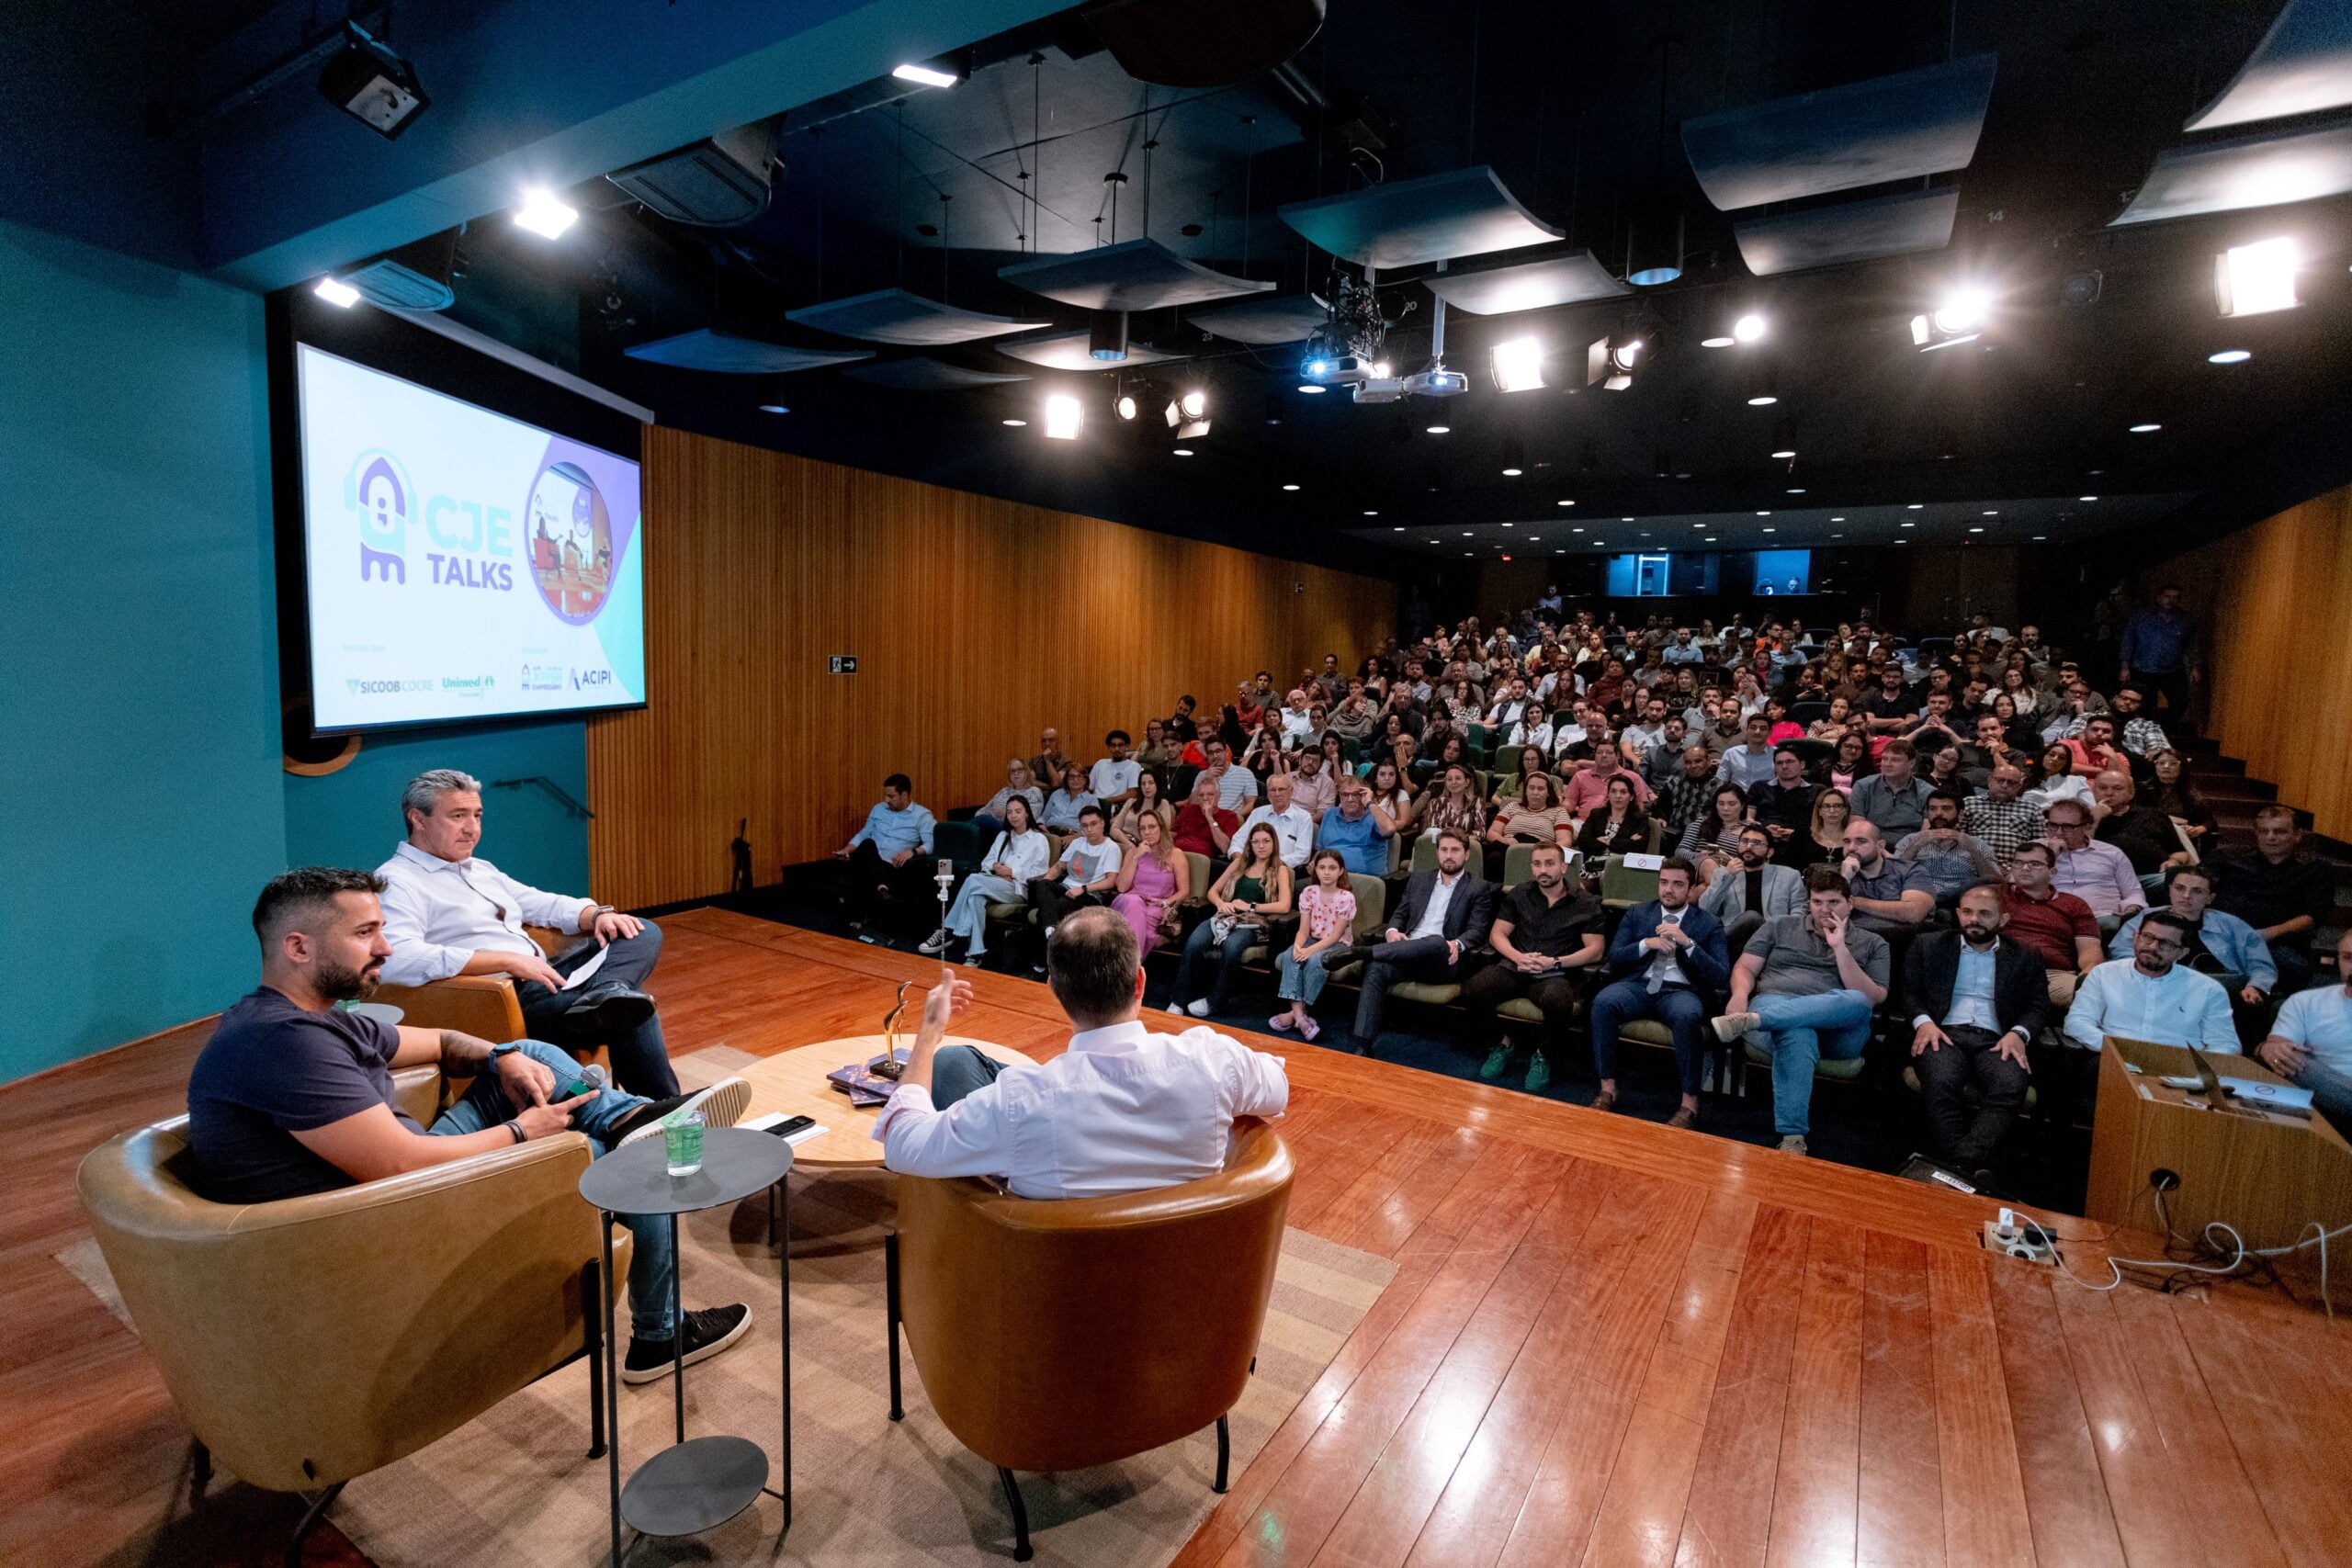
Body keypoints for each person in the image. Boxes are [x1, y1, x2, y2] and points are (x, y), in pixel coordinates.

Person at [187, 868, 753, 1382]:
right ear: (298, 947)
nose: (384, 948)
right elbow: (399, 1165)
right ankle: (659, 1332)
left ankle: (624, 1114)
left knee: (528, 1051)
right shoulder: (286, 1043)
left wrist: (501, 1055)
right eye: (365, 934)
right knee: (627, 1164)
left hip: (396, 1172)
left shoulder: (301, 1018)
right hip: (374, 1222)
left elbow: (438, 1042)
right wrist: (524, 1132)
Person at [875, 911, 1290, 1199]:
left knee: (950, 1062)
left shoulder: (1022, 1101)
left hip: (1057, 1280)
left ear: (1054, 988)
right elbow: (1277, 1088)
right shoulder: (1212, 1058)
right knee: (963, 1063)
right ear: (1140, 982)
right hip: (1182, 1266)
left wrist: (928, 1033)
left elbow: (902, 1144)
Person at [378, 769, 682, 1097]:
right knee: (632, 1009)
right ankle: (663, 1107)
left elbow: (540, 903)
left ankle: (607, 991)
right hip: (500, 999)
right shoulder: (397, 881)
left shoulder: (478, 869)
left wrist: (594, 915)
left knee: (640, 931)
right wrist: (506, 960)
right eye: (458, 816)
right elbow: (397, 957)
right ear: (418, 819)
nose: (472, 829)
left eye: (477, 815)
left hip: (544, 981)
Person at [1713, 868, 1892, 1154]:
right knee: (1797, 1030)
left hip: (1838, 1030)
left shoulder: (1874, 943)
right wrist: (1739, 995)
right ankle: (1793, 1138)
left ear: (1850, 903)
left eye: (1833, 902)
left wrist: (1840, 949)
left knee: (1857, 1000)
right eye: (1817, 902)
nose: (1824, 910)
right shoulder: (1779, 925)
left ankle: (1751, 1022)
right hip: (1777, 1002)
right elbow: (1745, 967)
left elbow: (1874, 997)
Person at [1905, 884, 2049, 1181]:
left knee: (2011, 1084)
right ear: (1958, 914)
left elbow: (2038, 1005)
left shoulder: (2025, 956)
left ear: (2003, 920)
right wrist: (1924, 1022)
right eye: (1968, 912)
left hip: (1997, 1039)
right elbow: (1908, 993)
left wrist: (2018, 1034)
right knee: (1941, 1079)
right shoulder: (1928, 944)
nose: (1974, 919)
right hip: (1943, 1033)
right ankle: (1969, 1166)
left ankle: (1958, 1164)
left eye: (1985, 913)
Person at [1589, 858, 1729, 1129]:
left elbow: (1720, 974)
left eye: (1677, 884)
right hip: (1639, 986)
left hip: (1681, 990)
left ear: (1690, 890)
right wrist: (1645, 944)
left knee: (1687, 1015)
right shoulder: (1638, 913)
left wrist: (1688, 944)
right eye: (1664, 883)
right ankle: (1607, 1089)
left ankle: (1689, 1104)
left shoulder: (1709, 923)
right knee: (1604, 1002)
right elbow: (1615, 958)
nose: (1668, 890)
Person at [1329, 829, 1495, 1057]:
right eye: (1444, 849)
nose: (1449, 855)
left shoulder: (1478, 888)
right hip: (1405, 954)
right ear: (1437, 853)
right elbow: (1400, 914)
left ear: (1466, 855)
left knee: (1437, 941)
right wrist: (1392, 932)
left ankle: (1362, 952)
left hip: (1443, 961)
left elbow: (1477, 930)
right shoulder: (1419, 879)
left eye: (1455, 850)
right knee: (1377, 969)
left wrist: (1457, 943)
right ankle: (1362, 1045)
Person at [1461, 843, 1607, 1089]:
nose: (1543, 870)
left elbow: (1596, 950)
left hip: (1554, 972)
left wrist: (1556, 962)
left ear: (1563, 867)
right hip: (1515, 966)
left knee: (1559, 1000)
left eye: (1549, 864)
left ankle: (1543, 1054)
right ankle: (1503, 1043)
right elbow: (1498, 934)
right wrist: (1517, 957)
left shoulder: (1586, 903)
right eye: (1537, 864)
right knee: (1472, 989)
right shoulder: (1520, 894)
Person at [2064, 912, 2239, 1070]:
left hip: (2181, 1071)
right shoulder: (2105, 973)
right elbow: (2077, 1023)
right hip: (2117, 1063)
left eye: (2166, 944)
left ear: (2182, 953)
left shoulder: (2208, 989)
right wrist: (2122, 1051)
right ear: (2135, 937)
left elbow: (2225, 1044)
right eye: (2148, 937)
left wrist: (2193, 1069)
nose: (2153, 947)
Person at [2109, 864, 2274, 1021]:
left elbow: (2261, 965)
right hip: (2160, 984)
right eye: (2180, 888)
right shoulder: (2146, 918)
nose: (2186, 896)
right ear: (2170, 891)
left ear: (2210, 898)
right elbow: (2121, 953)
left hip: (2218, 987)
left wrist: (2255, 987)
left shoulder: (2232, 925)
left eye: (2197, 891)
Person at [1170, 823, 1293, 1019]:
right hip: (1224, 917)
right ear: (1250, 844)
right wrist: (1220, 903)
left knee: (1232, 947)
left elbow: (1285, 905)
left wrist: (1251, 906)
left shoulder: (1280, 869)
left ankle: (1215, 1002)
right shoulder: (1239, 864)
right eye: (1256, 842)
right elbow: (1212, 891)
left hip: (1253, 923)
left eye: (1266, 841)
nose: (1261, 846)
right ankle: (1179, 999)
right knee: (1194, 942)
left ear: (1274, 844)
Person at [2213, 804, 2336, 997]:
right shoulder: (2227, 860)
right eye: (2264, 831)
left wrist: (2267, 934)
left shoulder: (2316, 869)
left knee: (2294, 968)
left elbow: (2314, 916)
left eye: (2279, 831)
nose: (2270, 837)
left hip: (2278, 944)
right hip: (2225, 941)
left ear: (2297, 835)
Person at [925, 795, 1053, 965]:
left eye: (1018, 811)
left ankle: (947, 929)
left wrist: (1012, 871)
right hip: (994, 882)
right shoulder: (1003, 836)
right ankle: (975, 953)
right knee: (975, 896)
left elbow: (1041, 872)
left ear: (1027, 814)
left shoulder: (1039, 839)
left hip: (1019, 889)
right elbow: (986, 863)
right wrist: (997, 868)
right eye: (1009, 812)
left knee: (973, 881)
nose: (1013, 816)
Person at [2257, 931, 2352, 1133]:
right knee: (2290, 1061)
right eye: (2348, 958)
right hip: (2319, 1105)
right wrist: (2270, 1049)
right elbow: (2280, 1047)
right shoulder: (2305, 1002)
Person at [2001, 840, 2105, 1009]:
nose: (2025, 868)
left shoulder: (2074, 904)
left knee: (2098, 996)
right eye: (2018, 863)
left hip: (2053, 975)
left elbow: (2089, 949)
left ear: (2052, 872)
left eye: (2034, 864)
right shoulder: (1995, 895)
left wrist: (2088, 974)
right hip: (2005, 969)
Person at [1272, 850, 1358, 1041]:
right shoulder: (1309, 893)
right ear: (1315, 871)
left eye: (1332, 868)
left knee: (1316, 960)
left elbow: (1335, 936)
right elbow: (1303, 930)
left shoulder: (1346, 897)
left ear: (1341, 871)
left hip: (1337, 944)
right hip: (1313, 939)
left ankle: (1295, 1014)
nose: (1327, 872)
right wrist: (1297, 946)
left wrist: (1309, 951)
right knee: (1289, 956)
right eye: (1322, 868)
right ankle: (1302, 1018)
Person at [1027, 806, 1124, 959]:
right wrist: (1044, 888)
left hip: (1090, 895)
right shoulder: (1078, 842)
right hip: (1066, 888)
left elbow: (1111, 881)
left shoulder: (1111, 848)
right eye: (1084, 826)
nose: (1089, 829)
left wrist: (1083, 888)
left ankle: (1042, 954)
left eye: (1093, 824)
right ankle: (1050, 931)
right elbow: (1059, 867)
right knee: (1042, 884)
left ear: (1102, 823)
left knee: (1048, 910)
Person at [1698, 823, 1805, 953]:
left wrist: (1785, 935)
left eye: (1756, 843)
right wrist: (1728, 878)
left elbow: (1799, 913)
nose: (1748, 847)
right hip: (1733, 942)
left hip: (1772, 942)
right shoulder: (1723, 875)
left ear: (1770, 852)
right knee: (1748, 919)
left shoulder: (1789, 876)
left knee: (1752, 918)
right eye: (1744, 841)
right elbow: (1705, 911)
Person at [2042, 796, 2146, 930]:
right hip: (2053, 919)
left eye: (2068, 827)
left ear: (2087, 826)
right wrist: (2049, 856)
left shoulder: (2111, 853)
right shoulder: (2033, 851)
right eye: (2053, 825)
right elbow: (2018, 886)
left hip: (2103, 920)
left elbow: (2133, 892)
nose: (2059, 833)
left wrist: (2131, 910)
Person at [1894, 791, 2003, 909]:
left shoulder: (1977, 843)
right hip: (1922, 898)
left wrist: (1972, 850)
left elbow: (1994, 880)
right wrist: (1917, 845)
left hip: (1963, 901)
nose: (1939, 813)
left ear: (1960, 814)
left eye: (1946, 809)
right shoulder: (1911, 840)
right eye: (1933, 809)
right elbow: (1891, 874)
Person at [1106, 810, 1190, 961]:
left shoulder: (1175, 854)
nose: (1147, 832)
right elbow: (1122, 888)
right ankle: (1131, 970)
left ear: (1161, 828)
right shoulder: (1133, 852)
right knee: (1134, 902)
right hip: (1128, 902)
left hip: (1156, 907)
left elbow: (1184, 891)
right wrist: (1136, 857)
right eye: (1142, 828)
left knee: (1140, 928)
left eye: (1152, 827)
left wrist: (1165, 902)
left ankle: (1123, 967)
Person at [2119, 583, 2198, 727]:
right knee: (2145, 703)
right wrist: (2125, 666)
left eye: (2176, 597)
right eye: (2167, 596)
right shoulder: (2142, 617)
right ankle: (2143, 730)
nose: (2171, 600)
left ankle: (2165, 728)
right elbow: (2128, 641)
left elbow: (2192, 644)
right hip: (2143, 666)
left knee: (2180, 701)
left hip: (2172, 668)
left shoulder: (2186, 619)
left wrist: (2194, 667)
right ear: (2159, 598)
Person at [1840, 819, 1935, 939]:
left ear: (1880, 846)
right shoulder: (1835, 874)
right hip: (1852, 941)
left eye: (1861, 842)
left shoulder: (1910, 870)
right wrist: (1844, 880)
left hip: (1900, 941)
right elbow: (1824, 914)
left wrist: (1852, 901)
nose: (1851, 848)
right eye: (1846, 842)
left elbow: (1914, 913)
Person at [1962, 763, 2047, 870]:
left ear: (2019, 786)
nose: (2005, 785)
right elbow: (1957, 838)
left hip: (2015, 870)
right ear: (1990, 780)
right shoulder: (1968, 803)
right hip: (1973, 867)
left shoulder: (2032, 809)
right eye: (2000, 780)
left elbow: (2040, 845)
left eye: (2011, 782)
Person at [1489, 770, 1573, 875]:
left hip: (1539, 851)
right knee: (1495, 857)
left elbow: (1565, 840)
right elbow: (1492, 832)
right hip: (1508, 849)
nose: (1535, 792)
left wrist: (1544, 851)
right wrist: (1503, 839)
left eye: (1541, 789)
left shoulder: (1558, 811)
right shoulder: (1512, 806)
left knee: (1524, 842)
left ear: (1548, 793)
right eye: (1531, 788)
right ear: (1525, 791)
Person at [1317, 774, 1397, 877]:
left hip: (1364, 880)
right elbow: (1320, 849)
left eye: (1355, 794)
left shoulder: (1374, 817)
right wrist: (1315, 861)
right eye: (1345, 794)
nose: (1350, 799)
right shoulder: (1330, 815)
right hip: (1330, 878)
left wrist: (1369, 802)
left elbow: (1389, 830)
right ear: (1339, 796)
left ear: (1363, 795)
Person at [1851, 739, 1932, 837]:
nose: (1888, 764)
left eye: (1896, 760)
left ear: (1911, 763)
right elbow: (1857, 828)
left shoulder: (1927, 792)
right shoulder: (1862, 786)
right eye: (1884, 759)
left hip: (1911, 848)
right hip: (1870, 846)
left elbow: (1925, 836)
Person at [1746, 746, 1817, 853]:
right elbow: (1749, 819)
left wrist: (1797, 834)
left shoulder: (1817, 791)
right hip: (1764, 842)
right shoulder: (1759, 787)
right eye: (1779, 763)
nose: (1784, 766)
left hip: (1803, 844)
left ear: (1802, 765)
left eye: (1790, 762)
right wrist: (1764, 831)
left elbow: (1822, 825)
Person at [1238, 772, 1316, 869]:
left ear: (1291, 791)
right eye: (1273, 790)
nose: (1277, 794)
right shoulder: (1257, 813)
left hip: (1282, 868)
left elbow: (1303, 854)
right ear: (1268, 793)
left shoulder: (1303, 817)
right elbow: (1239, 840)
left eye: (1281, 789)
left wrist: (1271, 864)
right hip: (1253, 865)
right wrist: (1240, 859)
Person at [1573, 773, 1653, 860]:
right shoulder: (1596, 814)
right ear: (1608, 795)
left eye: (1623, 792)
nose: (1618, 796)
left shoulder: (1639, 819)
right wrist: (1623, 843)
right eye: (1613, 791)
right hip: (1590, 864)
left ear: (1631, 797)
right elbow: (1582, 841)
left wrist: (1605, 840)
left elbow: (1636, 847)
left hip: (1619, 868)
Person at [1653, 744, 1721, 843]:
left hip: (1702, 836)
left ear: (1708, 760)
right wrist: (1660, 818)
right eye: (1688, 762)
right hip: (1672, 833)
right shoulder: (1673, 783)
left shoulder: (1719, 787)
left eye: (1698, 761)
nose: (1693, 766)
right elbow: (1661, 807)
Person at [1679, 782, 1752, 865]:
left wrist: (1729, 860)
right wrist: (1698, 855)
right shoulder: (1702, 822)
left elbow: (1752, 862)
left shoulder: (1750, 831)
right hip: (1696, 868)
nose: (1725, 808)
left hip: (1730, 872)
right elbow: (1680, 851)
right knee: (1708, 863)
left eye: (1731, 804)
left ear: (1742, 806)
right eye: (1721, 803)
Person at [1414, 761, 1489, 843]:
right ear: (1446, 783)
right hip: (1441, 847)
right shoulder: (1436, 803)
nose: (1453, 782)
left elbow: (1480, 833)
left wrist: (1458, 843)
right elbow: (1433, 832)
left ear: (1467, 782)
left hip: (1467, 847)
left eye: (1458, 778)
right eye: (1449, 779)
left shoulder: (1477, 803)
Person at [971, 759, 1046, 839]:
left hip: (1011, 829)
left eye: (1020, 770)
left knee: (984, 823)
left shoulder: (1034, 791)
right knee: (971, 827)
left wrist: (1006, 813)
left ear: (1027, 772)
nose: (1016, 773)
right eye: (1012, 771)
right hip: (988, 824)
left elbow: (1032, 817)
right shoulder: (1004, 791)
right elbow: (984, 810)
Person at [1108, 769, 1176, 852]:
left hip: (1145, 847)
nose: (1147, 787)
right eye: (1143, 784)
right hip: (1122, 843)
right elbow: (1114, 828)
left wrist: (1136, 846)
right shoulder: (1131, 802)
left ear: (1157, 784)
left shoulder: (1163, 803)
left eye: (1151, 783)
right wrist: (1129, 844)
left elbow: (1163, 831)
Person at [1715, 713, 1780, 791]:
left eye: (1763, 729)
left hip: (1767, 799)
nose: (1757, 732)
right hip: (1738, 800)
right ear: (1746, 730)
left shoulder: (1778, 754)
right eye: (1753, 728)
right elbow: (1721, 782)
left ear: (1770, 732)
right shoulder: (1731, 754)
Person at [1793, 788, 1853, 872]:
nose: (1832, 811)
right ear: (1819, 811)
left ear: (1845, 810)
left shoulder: (1853, 840)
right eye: (1826, 806)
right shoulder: (1802, 836)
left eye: (1837, 806)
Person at [2025, 742, 2094, 814]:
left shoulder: (2076, 782)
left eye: (2061, 758)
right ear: (2043, 756)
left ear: (2066, 763)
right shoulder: (2026, 781)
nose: (2055, 759)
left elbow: (2091, 809)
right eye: (2051, 755)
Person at [1089, 730, 1141, 806]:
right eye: (1113, 745)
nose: (1117, 749)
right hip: (1094, 806)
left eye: (1120, 745)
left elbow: (1133, 794)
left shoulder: (1133, 766)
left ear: (1127, 746)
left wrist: (1105, 802)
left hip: (1115, 807)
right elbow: (1089, 788)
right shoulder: (1100, 763)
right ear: (1109, 747)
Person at [1040, 768, 1099, 835]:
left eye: (1079, 777)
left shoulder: (1091, 799)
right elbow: (1044, 817)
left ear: (1085, 780)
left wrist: (1074, 837)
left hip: (1073, 835)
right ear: (1067, 780)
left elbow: (1094, 825)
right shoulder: (1057, 794)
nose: (1075, 780)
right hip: (1050, 832)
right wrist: (1041, 825)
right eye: (1072, 777)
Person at [1287, 746, 1339, 819]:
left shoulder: (1326, 782)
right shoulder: (1288, 777)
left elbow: (1323, 813)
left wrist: (1302, 823)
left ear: (1320, 765)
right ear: (1300, 760)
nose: (1310, 762)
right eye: (1307, 758)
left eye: (1315, 760)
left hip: (1308, 822)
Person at [1028, 728, 1075, 793]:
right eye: (1044, 741)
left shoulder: (1066, 762)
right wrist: (1048, 787)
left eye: (1051, 740)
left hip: (1058, 798)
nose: (1047, 744)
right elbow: (1030, 781)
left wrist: (1048, 761)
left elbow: (1056, 783)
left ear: (1058, 742)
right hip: (1037, 797)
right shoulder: (1034, 761)